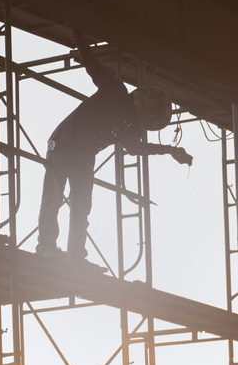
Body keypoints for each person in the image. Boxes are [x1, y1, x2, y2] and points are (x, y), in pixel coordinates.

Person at [36, 29, 193, 272]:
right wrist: (78, 34)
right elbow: (90, 62)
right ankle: (47, 247)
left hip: (82, 154)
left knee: (81, 205)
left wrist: (168, 150)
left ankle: (74, 257)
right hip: (65, 143)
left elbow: (135, 148)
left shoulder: (129, 125)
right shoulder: (115, 91)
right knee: (56, 196)